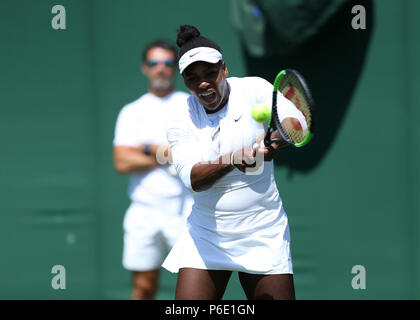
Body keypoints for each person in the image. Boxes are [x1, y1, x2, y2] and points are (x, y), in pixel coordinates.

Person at [162, 25, 307, 300]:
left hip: (263, 229)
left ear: (224, 69)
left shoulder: (254, 89)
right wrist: (232, 159)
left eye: (210, 73)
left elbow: (296, 122)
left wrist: (273, 141)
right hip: (207, 234)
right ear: (184, 82)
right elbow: (193, 179)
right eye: (192, 78)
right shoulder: (179, 116)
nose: (203, 82)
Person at [113, 39, 192, 300]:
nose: (161, 69)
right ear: (144, 68)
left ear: (176, 69)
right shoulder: (131, 111)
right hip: (144, 211)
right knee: (144, 288)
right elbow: (122, 161)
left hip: (187, 210)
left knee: (196, 288)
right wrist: (164, 153)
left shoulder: (191, 106)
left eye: (168, 63)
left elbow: (193, 152)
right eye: (154, 63)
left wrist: (144, 148)